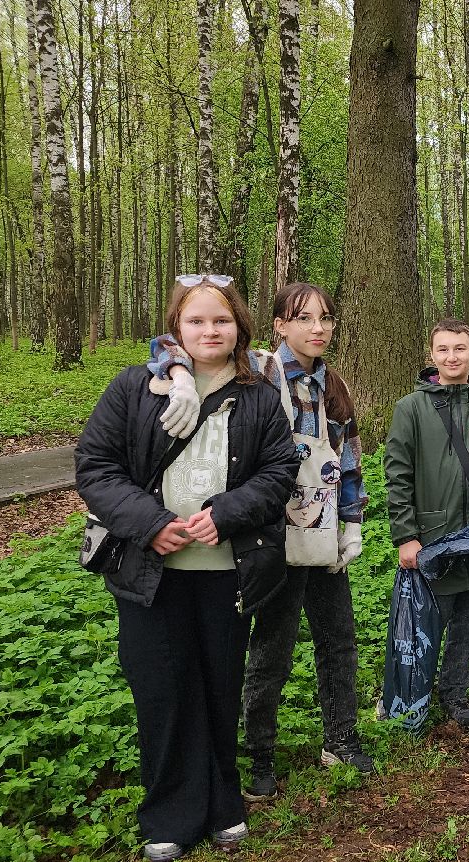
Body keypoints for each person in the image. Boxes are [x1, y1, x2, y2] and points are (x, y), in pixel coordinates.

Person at [75, 275, 297, 862]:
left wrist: (225, 513)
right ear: (177, 327)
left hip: (227, 570)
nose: (209, 331)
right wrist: (150, 522)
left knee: (219, 686)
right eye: (196, 321)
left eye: (220, 321)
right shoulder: (134, 388)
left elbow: (279, 473)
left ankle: (224, 802)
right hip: (151, 574)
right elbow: (96, 467)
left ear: (239, 328)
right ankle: (171, 814)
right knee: (162, 690)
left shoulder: (259, 396)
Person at [147, 283, 376, 801]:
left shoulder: (333, 385)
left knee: (337, 637)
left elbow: (350, 458)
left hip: (322, 533)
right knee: (271, 645)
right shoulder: (257, 370)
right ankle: (259, 755)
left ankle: (341, 737)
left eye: (326, 318)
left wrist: (352, 524)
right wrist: (180, 377)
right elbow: (167, 342)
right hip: (267, 533)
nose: (318, 328)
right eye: (304, 318)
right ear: (279, 325)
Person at [385, 319, 469, 730]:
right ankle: (414, 696)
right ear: (432, 355)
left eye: (459, 348)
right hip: (434, 538)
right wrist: (406, 535)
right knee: (429, 622)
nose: (452, 357)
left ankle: (455, 692)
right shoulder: (411, 408)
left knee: (468, 620)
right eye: (443, 349)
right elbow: (398, 474)